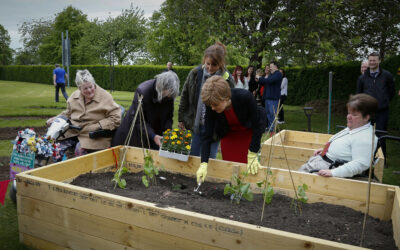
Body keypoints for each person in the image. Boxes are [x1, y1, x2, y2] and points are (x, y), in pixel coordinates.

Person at [196, 75, 267, 183]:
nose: (213, 108)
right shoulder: (211, 105)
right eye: (211, 106)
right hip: (228, 135)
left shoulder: (245, 97)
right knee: (229, 168)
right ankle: (232, 192)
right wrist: (204, 163)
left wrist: (253, 152)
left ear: (226, 98)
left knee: (247, 168)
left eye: (215, 105)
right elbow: (207, 134)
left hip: (247, 133)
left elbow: (257, 126)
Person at [298, 94, 378, 178]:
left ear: (366, 118)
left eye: (354, 115)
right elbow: (346, 147)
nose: (348, 117)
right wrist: (326, 150)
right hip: (321, 162)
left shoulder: (366, 138)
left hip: (326, 169)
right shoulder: (356, 127)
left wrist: (333, 172)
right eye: (348, 113)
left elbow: (360, 164)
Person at [178, 42, 235, 158]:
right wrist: (181, 118)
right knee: (192, 157)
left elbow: (230, 104)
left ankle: (206, 176)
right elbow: (184, 95)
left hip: (215, 127)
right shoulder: (194, 74)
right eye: (207, 64)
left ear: (221, 63)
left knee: (210, 159)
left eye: (214, 65)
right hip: (195, 123)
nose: (209, 68)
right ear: (204, 60)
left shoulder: (227, 79)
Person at [47, 69, 121, 158]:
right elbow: (67, 113)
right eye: (85, 88)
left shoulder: (105, 97)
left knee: (79, 150)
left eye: (91, 87)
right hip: (73, 131)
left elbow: (116, 118)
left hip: (94, 136)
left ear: (94, 84)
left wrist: (97, 126)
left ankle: (85, 172)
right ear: (79, 88)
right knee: (54, 145)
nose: (89, 90)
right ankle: (56, 169)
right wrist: (56, 118)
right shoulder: (74, 97)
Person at [112, 71, 180, 149]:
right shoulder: (143, 91)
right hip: (136, 132)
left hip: (155, 131)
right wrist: (153, 136)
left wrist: (167, 133)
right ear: (161, 86)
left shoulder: (169, 96)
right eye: (168, 95)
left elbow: (168, 117)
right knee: (137, 157)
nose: (169, 97)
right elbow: (138, 120)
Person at [356, 52, 395, 133]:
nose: (372, 62)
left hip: (382, 112)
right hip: (366, 112)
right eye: (370, 60)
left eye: (374, 60)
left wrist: (384, 101)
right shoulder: (362, 78)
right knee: (365, 135)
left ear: (379, 61)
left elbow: (391, 92)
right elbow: (359, 95)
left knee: (381, 136)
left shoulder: (387, 75)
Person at [256, 61, 283, 133]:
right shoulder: (271, 74)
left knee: (272, 113)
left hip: (273, 98)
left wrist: (260, 78)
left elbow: (269, 81)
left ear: (275, 66)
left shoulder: (278, 74)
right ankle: (270, 127)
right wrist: (259, 80)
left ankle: (272, 129)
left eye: (271, 66)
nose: (270, 68)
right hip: (268, 97)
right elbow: (265, 83)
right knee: (268, 113)